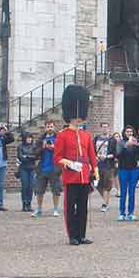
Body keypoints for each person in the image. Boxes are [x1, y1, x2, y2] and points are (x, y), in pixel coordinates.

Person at [53, 84, 98, 245]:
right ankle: (72, 235)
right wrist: (70, 164)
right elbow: (57, 157)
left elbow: (92, 156)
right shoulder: (62, 135)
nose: (79, 118)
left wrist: (96, 173)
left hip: (84, 176)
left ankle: (81, 234)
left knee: (83, 208)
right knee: (70, 208)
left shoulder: (86, 135)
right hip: (71, 176)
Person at [32, 120, 62, 217]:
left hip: (54, 168)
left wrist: (54, 147)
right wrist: (43, 147)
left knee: (56, 190)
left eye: (51, 126)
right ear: (45, 128)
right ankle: (39, 209)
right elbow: (35, 154)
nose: (49, 128)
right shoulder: (41, 139)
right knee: (39, 190)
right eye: (48, 126)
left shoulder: (59, 139)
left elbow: (63, 152)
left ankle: (56, 209)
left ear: (54, 127)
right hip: (42, 168)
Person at [116, 125, 139, 221]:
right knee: (123, 192)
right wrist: (126, 146)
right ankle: (122, 213)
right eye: (127, 132)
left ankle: (131, 213)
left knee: (132, 192)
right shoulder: (121, 142)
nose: (129, 133)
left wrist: (138, 146)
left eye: (131, 132)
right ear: (124, 133)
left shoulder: (135, 142)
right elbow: (118, 155)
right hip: (123, 169)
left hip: (134, 169)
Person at [94, 122, 117, 213]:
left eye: (106, 127)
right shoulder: (96, 139)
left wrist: (107, 157)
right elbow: (92, 150)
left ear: (109, 129)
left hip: (108, 165)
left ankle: (104, 204)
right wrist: (95, 157)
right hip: (98, 165)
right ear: (100, 128)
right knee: (99, 185)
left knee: (107, 186)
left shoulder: (112, 140)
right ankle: (105, 200)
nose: (105, 129)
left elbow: (115, 153)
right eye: (103, 127)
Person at [16, 132, 37, 212]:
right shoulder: (20, 147)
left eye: (30, 138)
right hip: (23, 168)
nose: (29, 139)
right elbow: (21, 157)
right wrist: (30, 157)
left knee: (31, 186)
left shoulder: (34, 146)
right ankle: (24, 204)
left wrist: (27, 156)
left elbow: (36, 156)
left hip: (32, 168)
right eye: (28, 138)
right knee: (25, 186)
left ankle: (29, 203)